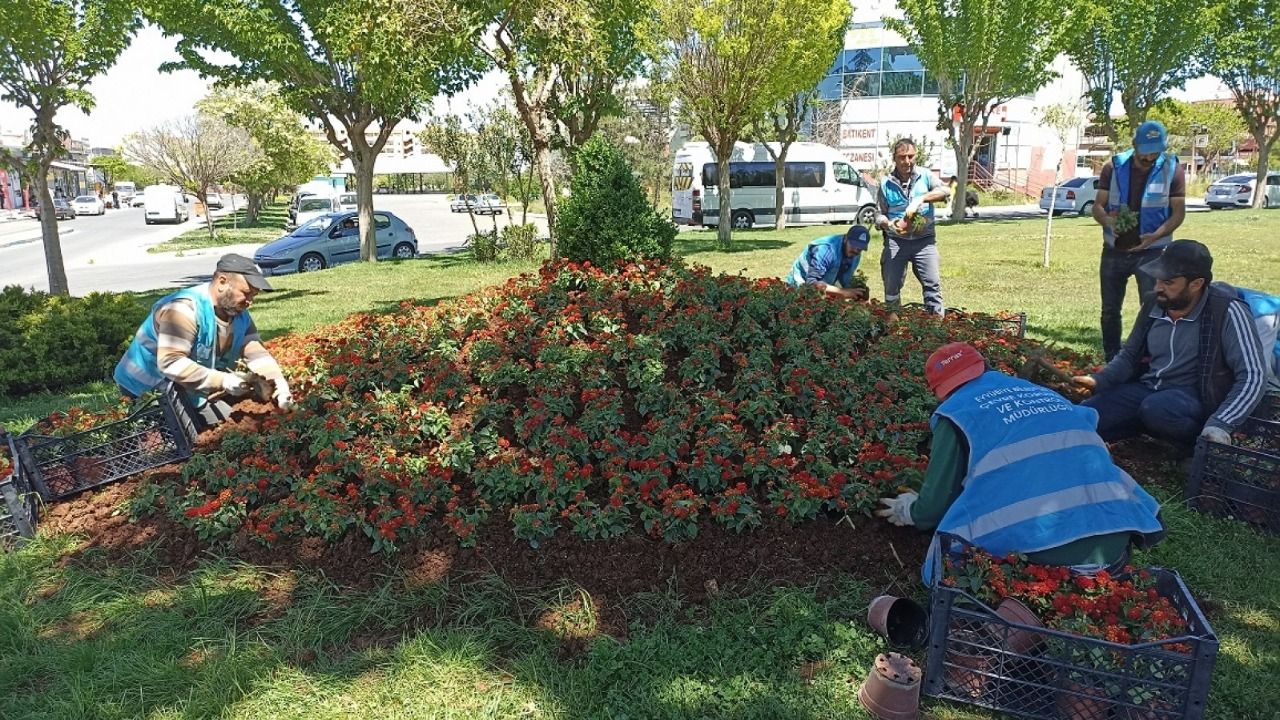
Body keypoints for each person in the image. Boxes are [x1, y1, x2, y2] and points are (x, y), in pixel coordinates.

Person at [878, 342, 1166, 583]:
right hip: (1115, 541)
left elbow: (935, 507)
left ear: (940, 391)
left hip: (1045, 555)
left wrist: (910, 511)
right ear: (985, 369)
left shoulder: (957, 413)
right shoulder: (1044, 394)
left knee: (954, 558)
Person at [1072, 240, 1267, 455]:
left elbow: (1253, 376)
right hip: (1148, 389)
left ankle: (1195, 450)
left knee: (1157, 409)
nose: (1157, 287)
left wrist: (1221, 424)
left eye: (1168, 282)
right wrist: (1099, 380)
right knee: (1082, 417)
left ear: (1196, 284)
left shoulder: (1227, 310)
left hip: (1196, 399)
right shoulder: (1153, 304)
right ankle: (1144, 430)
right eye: (1157, 279)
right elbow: (1129, 356)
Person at [114, 254, 293, 424]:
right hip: (146, 391)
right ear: (222, 282)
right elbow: (171, 363)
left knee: (234, 420)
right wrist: (223, 381)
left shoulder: (239, 314)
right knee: (208, 433)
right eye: (246, 293)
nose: (249, 302)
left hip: (186, 386)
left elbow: (254, 350)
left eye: (254, 295)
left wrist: (278, 383)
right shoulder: (183, 310)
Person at [1092, 120, 1187, 360]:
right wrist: (1107, 222)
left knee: (1154, 308)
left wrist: (1157, 235)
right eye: (1146, 151)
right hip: (1115, 250)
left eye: (1156, 151)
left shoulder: (1172, 169)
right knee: (1110, 310)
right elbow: (1098, 207)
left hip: (1153, 251)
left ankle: (1146, 359)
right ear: (1135, 144)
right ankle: (1112, 358)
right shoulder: (1113, 168)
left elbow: (1178, 212)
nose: (1150, 157)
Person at [875, 138, 950, 319]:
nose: (907, 161)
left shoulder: (925, 176)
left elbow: (945, 191)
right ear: (895, 158)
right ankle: (894, 331)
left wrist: (921, 199)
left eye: (911, 156)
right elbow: (878, 214)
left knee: (932, 285)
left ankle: (935, 329)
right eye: (902, 157)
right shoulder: (886, 183)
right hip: (895, 242)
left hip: (924, 242)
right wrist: (887, 223)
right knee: (891, 288)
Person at [785, 224, 871, 300]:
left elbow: (844, 280)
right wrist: (842, 292)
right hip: (799, 285)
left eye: (860, 249)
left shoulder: (855, 255)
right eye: (853, 245)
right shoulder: (826, 249)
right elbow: (811, 283)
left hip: (822, 287)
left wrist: (858, 291)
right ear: (845, 239)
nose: (856, 251)